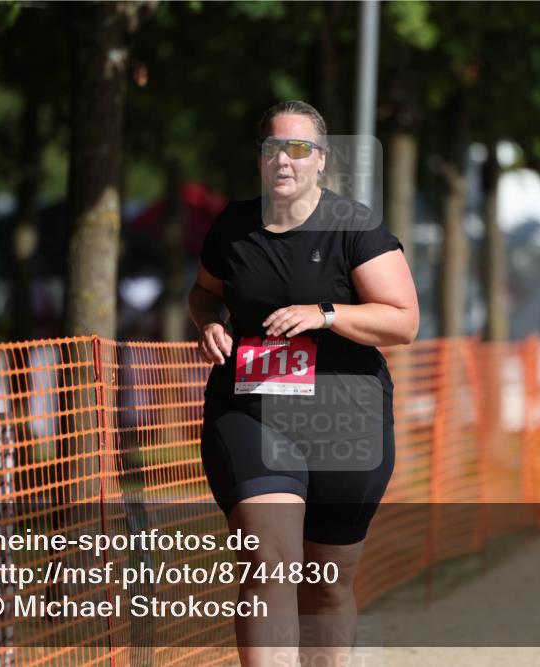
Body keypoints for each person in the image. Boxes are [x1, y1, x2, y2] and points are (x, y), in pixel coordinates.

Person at [187, 100, 419, 666]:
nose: (284, 161)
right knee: (269, 564)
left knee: (327, 584)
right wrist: (210, 322)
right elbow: (205, 291)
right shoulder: (233, 228)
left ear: (321, 160)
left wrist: (328, 314)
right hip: (253, 410)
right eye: (272, 149)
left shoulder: (355, 227)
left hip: (346, 416)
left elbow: (403, 320)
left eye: (298, 149)